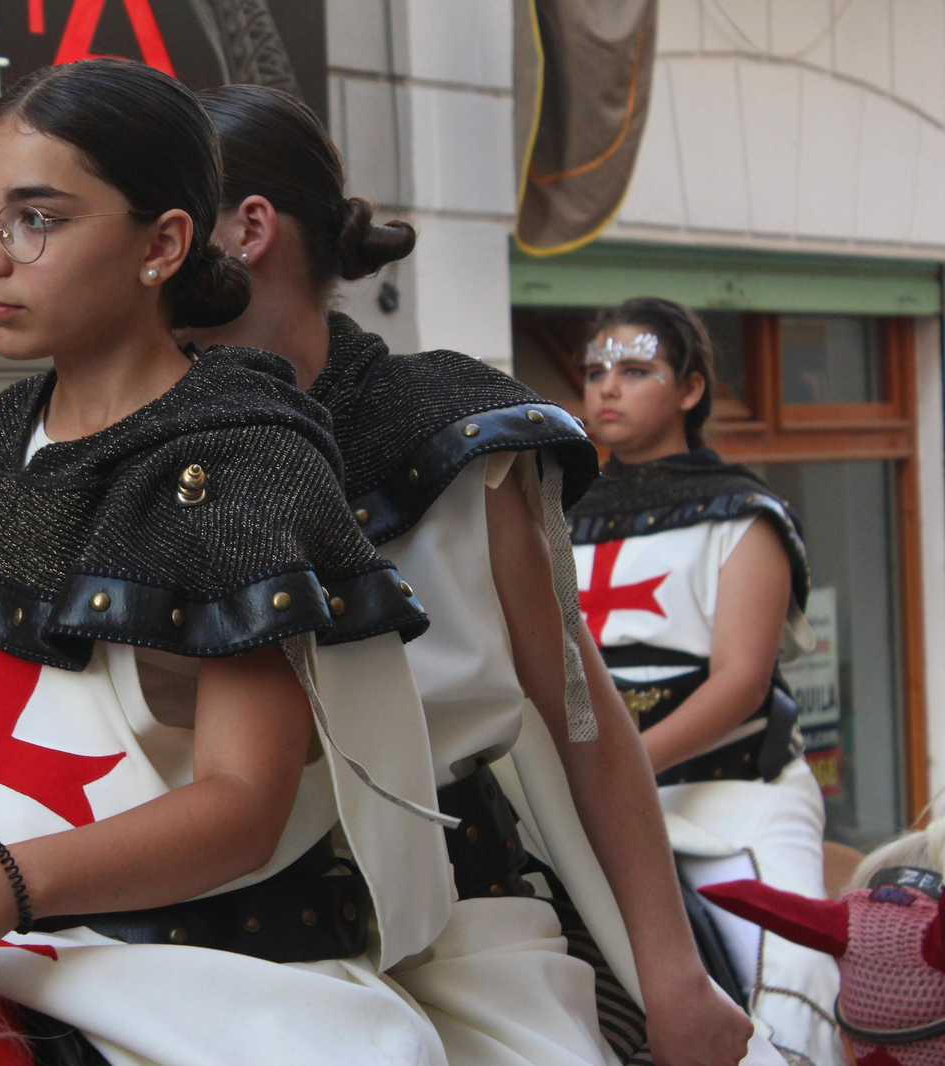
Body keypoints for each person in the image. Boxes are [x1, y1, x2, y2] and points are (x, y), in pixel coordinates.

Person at [0, 58, 459, 1066]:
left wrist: (2, 881)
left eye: (35, 220)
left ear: (164, 243)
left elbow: (241, 802)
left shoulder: (246, 464)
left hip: (179, 979)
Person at [184, 84, 774, 1066]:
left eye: (161, 213)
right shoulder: (103, 435)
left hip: (473, 917)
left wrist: (673, 972)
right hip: (199, 938)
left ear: (248, 229)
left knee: (786, 968)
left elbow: (574, 704)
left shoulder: (459, 434)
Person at [568, 297, 840, 1065]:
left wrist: (617, 773)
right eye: (594, 371)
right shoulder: (555, 512)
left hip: (729, 793)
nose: (606, 388)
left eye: (635, 369)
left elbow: (743, 683)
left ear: (690, 389)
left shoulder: (744, 514)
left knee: (793, 970)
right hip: (589, 795)